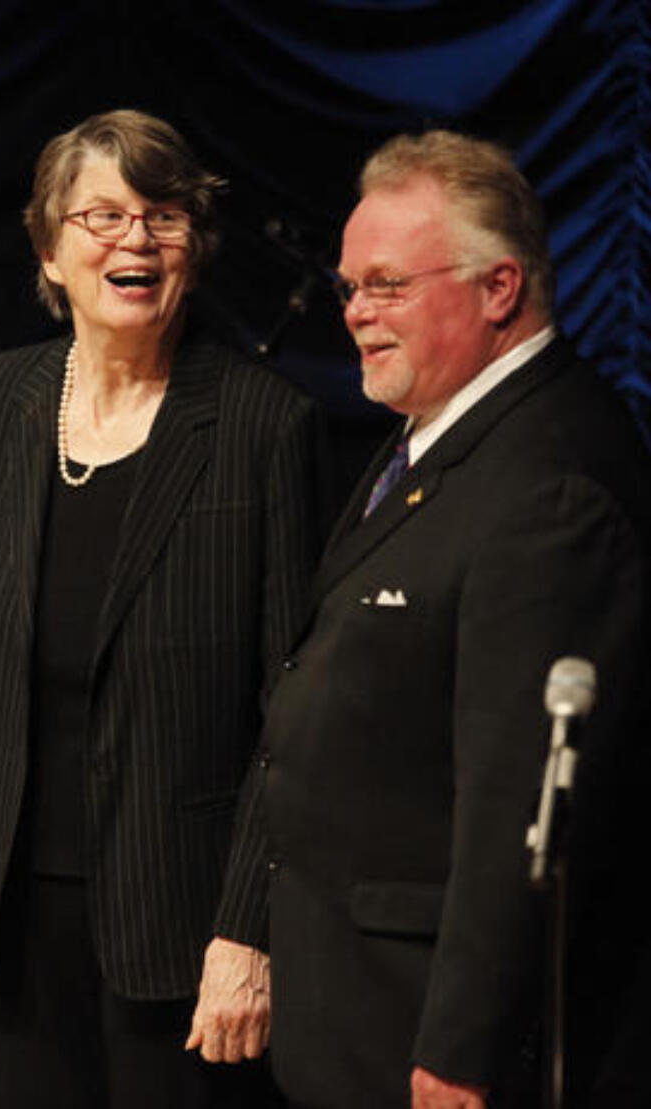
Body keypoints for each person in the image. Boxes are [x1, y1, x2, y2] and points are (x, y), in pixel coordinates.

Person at [0, 109, 320, 1108]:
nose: (136, 240)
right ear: (47, 245)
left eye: (164, 218)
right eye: (103, 215)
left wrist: (249, 926)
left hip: (186, 932)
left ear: (194, 252)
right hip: (15, 923)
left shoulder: (261, 422)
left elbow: (293, 715)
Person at [257, 130, 651, 1108]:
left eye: (385, 284)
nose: (354, 313)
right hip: (353, 1005)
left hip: (430, 1042)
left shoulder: (549, 484)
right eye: (350, 286)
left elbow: (519, 805)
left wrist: (461, 1048)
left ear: (497, 288)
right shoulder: (440, 432)